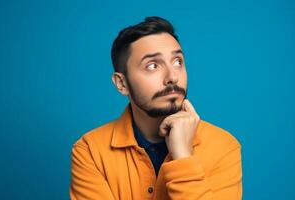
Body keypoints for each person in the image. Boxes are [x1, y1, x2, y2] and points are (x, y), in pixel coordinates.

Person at [70, 16, 242, 200]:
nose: (172, 77)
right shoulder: (90, 151)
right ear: (122, 84)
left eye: (178, 62)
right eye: (152, 66)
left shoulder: (224, 146)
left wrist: (182, 157)